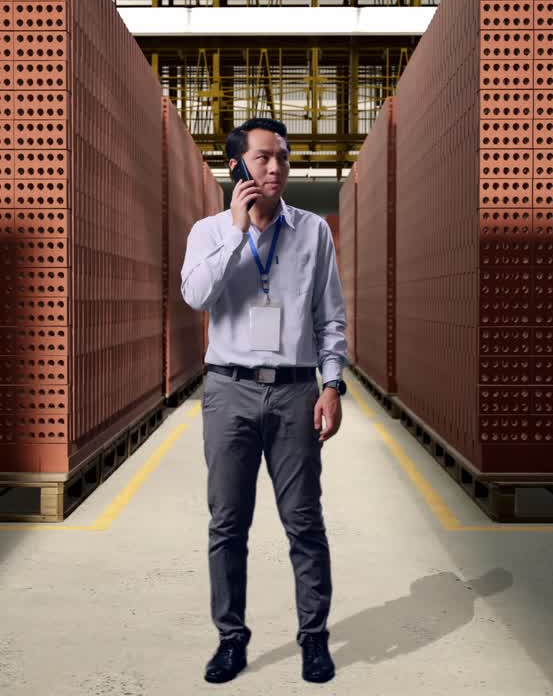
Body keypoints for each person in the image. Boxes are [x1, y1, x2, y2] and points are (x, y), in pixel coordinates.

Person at [180, 117, 349, 684]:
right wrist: (235, 231)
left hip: (296, 391)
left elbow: (330, 317)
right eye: (262, 158)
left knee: (304, 520)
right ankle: (231, 639)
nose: (275, 167)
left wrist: (332, 385)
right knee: (228, 523)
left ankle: (313, 637)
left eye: (282, 157)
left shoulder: (312, 231)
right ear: (237, 167)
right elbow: (196, 296)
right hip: (228, 389)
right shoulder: (208, 232)